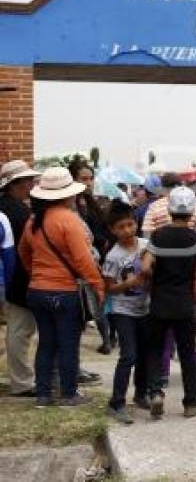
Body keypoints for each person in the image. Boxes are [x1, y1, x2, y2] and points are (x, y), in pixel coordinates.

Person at [18, 167, 106, 407]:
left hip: (37, 290)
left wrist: (36, 274)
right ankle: (69, 394)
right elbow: (83, 259)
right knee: (68, 344)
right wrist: (98, 285)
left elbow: (23, 253)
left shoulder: (33, 220)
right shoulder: (69, 220)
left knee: (46, 343)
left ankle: (43, 395)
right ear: (68, 194)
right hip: (65, 292)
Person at [141, 186, 196, 419]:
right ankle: (190, 402)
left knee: (154, 349)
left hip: (160, 303)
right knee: (186, 351)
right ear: (192, 211)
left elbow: (144, 267)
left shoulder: (159, 236)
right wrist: (194, 276)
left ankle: (155, 393)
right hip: (184, 303)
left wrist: (155, 276)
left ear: (170, 210)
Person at [102, 200, 150, 424]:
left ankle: (141, 394)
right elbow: (108, 288)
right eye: (121, 227)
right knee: (128, 355)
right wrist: (130, 283)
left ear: (137, 223)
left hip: (146, 309)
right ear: (112, 230)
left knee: (144, 353)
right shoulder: (113, 256)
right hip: (123, 311)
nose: (127, 230)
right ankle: (117, 402)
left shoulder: (146, 245)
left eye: (130, 224)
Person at [0, 160, 41, 398]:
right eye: (28, 180)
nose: (31, 184)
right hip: (17, 279)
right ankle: (22, 381)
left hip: (10, 278)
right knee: (20, 331)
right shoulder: (21, 213)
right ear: (17, 183)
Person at [69, 160, 113, 355]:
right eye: (83, 178)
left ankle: (108, 340)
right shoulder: (70, 205)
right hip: (78, 263)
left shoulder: (95, 203)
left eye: (90, 178)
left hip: (98, 262)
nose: (88, 182)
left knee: (98, 304)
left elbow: (104, 230)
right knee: (82, 307)